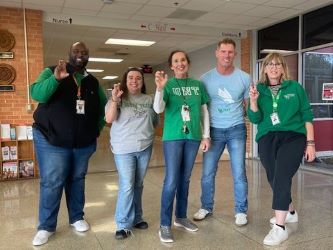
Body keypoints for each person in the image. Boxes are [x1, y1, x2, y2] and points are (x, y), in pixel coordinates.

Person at [30, 41, 107, 246]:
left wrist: (96, 129)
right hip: (50, 139)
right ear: (69, 54)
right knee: (53, 181)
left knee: (77, 179)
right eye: (76, 51)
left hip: (82, 142)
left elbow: (103, 110)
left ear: (88, 56)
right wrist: (55, 79)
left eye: (84, 52)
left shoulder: (92, 82)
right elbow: (37, 94)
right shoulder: (51, 72)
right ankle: (46, 226)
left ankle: (76, 217)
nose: (80, 54)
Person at [248, 52, 315, 246]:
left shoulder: (295, 88)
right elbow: (255, 119)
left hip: (294, 136)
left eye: (278, 64)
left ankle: (280, 228)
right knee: (273, 176)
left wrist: (310, 143)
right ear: (265, 68)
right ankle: (291, 213)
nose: (274, 67)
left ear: (283, 68)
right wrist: (253, 101)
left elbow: (307, 115)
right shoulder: (259, 89)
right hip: (267, 137)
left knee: (282, 175)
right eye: (270, 64)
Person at [154, 50, 211, 243]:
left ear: (188, 63)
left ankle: (180, 217)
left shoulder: (198, 85)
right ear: (171, 65)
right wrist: (160, 89)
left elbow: (204, 111)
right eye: (176, 61)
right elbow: (158, 109)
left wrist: (206, 136)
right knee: (171, 180)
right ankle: (164, 224)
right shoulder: (168, 84)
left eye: (183, 60)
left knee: (185, 179)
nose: (180, 64)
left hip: (193, 137)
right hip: (173, 137)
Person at [193, 38, 250, 226]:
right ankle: (206, 207)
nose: (227, 55)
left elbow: (249, 107)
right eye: (223, 51)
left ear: (234, 54)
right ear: (217, 53)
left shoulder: (244, 77)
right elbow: (201, 109)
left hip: (236, 130)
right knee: (208, 173)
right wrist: (203, 134)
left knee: (239, 173)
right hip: (213, 132)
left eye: (230, 52)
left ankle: (241, 211)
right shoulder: (205, 79)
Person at [105, 67, 158, 240]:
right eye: (130, 78)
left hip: (145, 147)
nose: (134, 81)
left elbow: (154, 121)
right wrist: (114, 100)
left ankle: (137, 218)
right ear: (125, 81)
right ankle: (122, 224)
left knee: (138, 184)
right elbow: (109, 119)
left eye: (138, 78)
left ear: (142, 81)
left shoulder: (149, 99)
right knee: (127, 185)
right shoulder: (118, 98)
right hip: (123, 148)